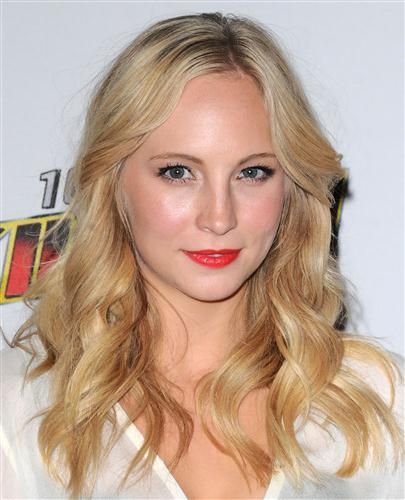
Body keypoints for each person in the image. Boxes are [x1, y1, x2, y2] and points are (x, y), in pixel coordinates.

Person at [1, 12, 403, 500]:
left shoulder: (376, 403)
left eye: (252, 173)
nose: (219, 217)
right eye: (177, 172)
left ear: (291, 188)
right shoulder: (20, 411)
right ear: (113, 184)